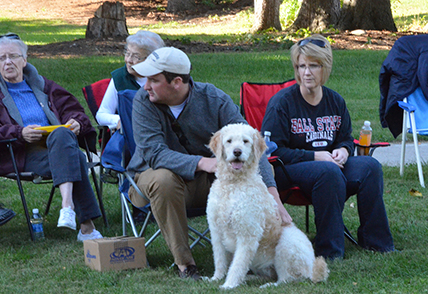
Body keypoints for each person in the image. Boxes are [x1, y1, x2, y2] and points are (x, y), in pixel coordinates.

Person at [127, 47, 292, 280]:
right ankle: (186, 265)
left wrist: (273, 198)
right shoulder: (144, 101)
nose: (145, 86)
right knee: (163, 179)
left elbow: (251, 145)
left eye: (153, 80)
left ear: (176, 82)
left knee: (247, 168)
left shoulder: (213, 98)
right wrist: (202, 162)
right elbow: (154, 153)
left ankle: (256, 253)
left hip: (206, 184)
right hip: (153, 182)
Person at [261, 34, 395, 260]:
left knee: (370, 166)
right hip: (287, 171)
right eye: (301, 66)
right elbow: (272, 152)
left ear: (325, 68)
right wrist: (315, 157)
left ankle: (377, 242)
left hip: (329, 167)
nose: (306, 72)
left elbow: (344, 138)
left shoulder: (335, 101)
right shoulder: (282, 103)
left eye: (313, 66)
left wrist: (343, 150)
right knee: (328, 171)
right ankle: (329, 251)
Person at [0, 33, 103, 241]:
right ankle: (85, 226)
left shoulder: (44, 86)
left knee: (62, 133)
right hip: (21, 153)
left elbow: (74, 111)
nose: (8, 62)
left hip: (57, 146)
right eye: (1, 58)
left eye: (13, 56)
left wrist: (76, 121)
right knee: (75, 156)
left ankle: (68, 207)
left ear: (25, 60)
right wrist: (19, 133)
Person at [96, 30, 165, 130]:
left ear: (151, 58)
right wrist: (120, 120)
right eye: (127, 53)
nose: (129, 60)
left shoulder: (162, 77)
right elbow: (102, 115)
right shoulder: (120, 77)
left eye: (136, 56)